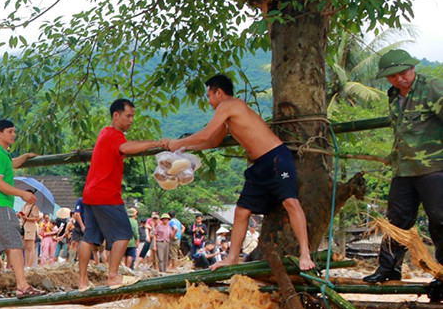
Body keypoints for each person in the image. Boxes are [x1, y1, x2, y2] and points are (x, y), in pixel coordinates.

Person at [168, 74, 315, 271]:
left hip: (277, 159)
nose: (209, 101)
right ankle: (232, 257)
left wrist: (179, 143)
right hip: (259, 165)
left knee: (290, 201)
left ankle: (305, 252)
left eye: (209, 96)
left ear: (219, 93)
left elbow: (206, 133)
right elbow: (212, 141)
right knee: (241, 211)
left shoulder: (229, 105)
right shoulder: (227, 115)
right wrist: (185, 148)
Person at [363, 49, 443, 282]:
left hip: (434, 167)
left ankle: (442, 275)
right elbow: (401, 131)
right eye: (393, 75)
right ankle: (388, 268)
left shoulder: (432, 87)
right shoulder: (392, 95)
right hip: (403, 168)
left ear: (413, 68)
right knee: (396, 221)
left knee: (439, 220)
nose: (399, 78)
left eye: (403, 72)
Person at [77, 99, 170, 290]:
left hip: (90, 193)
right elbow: (126, 148)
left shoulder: (104, 132)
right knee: (124, 234)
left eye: (133, 116)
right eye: (128, 116)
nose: (131, 120)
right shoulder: (114, 135)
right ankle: (113, 276)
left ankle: (82, 281)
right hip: (106, 194)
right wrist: (155, 143)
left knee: (88, 238)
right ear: (116, 115)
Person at [0, 119, 42, 299]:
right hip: (1, 206)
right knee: (15, 245)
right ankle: (22, 286)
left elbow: (12, 164)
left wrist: (26, 157)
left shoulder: (1, 153)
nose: (13, 135)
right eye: (10, 131)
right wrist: (22, 193)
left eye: (14, 131)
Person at [19, 202, 41, 269]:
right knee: (25, 247)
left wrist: (27, 218)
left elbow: (36, 218)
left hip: (30, 227)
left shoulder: (34, 206)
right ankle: (26, 264)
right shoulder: (24, 206)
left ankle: (29, 265)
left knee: (30, 247)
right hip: (23, 227)